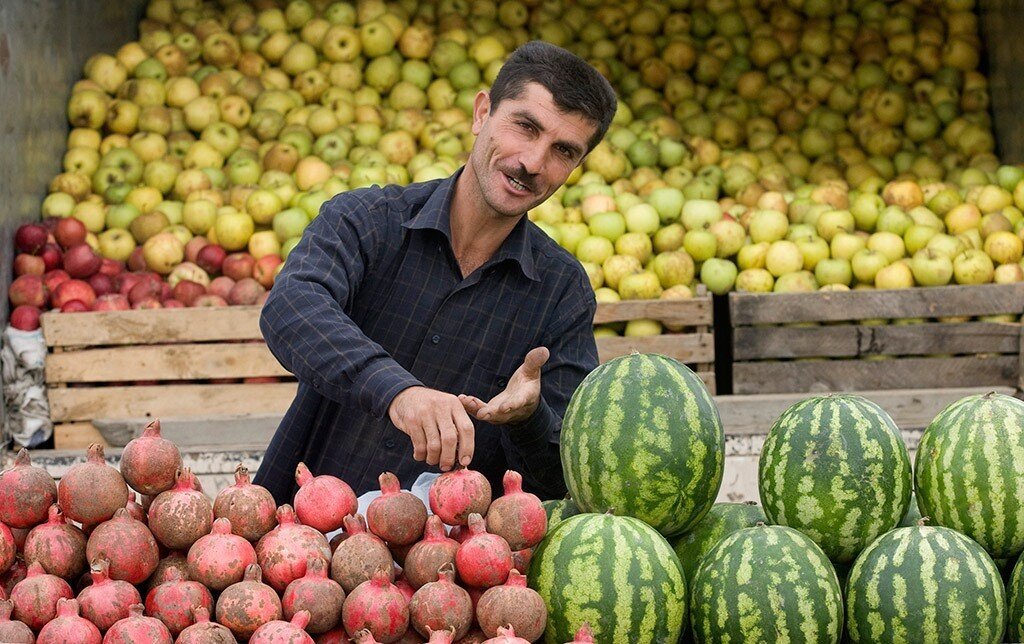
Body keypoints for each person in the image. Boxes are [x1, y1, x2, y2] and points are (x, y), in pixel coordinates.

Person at [254, 40, 618, 505]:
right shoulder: (366, 220)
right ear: (481, 113)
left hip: (446, 568)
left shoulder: (562, 293)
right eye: (525, 127)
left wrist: (529, 420)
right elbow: (291, 308)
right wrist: (399, 393)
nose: (532, 162)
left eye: (563, 151)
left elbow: (561, 480)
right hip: (294, 541)